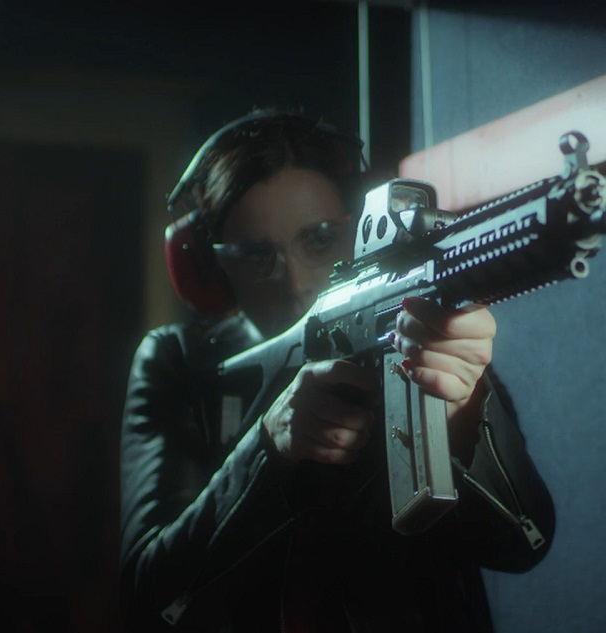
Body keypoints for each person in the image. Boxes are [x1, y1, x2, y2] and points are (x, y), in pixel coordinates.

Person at [120, 109, 555, 632]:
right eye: (257, 256)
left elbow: (525, 542)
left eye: (321, 239)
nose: (295, 282)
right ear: (210, 269)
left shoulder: (417, 323)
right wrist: (267, 450)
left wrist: (462, 414)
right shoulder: (180, 364)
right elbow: (151, 599)